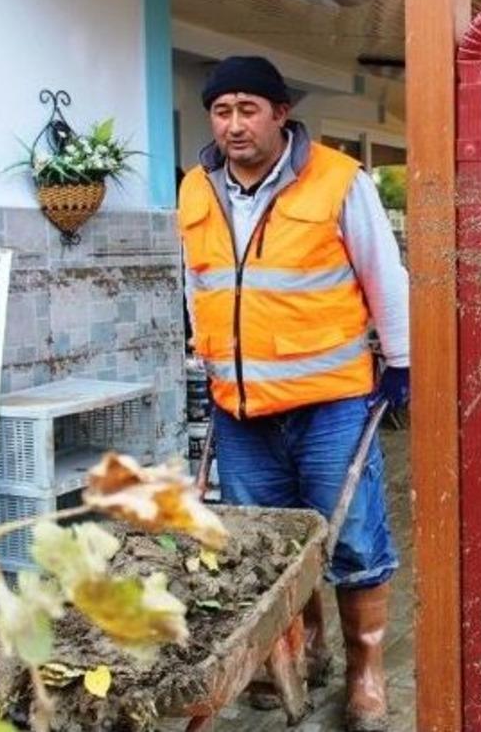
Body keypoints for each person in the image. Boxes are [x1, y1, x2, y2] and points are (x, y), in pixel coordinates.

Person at [178, 56, 407, 731]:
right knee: (269, 547)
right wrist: (206, 350)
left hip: (330, 401)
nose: (234, 124)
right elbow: (200, 281)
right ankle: (305, 650)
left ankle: (366, 671)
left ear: (281, 113)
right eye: (222, 111)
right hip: (240, 407)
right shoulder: (196, 188)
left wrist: (399, 359)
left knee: (353, 537)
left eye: (249, 109)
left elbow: (383, 272)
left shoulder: (339, 179)